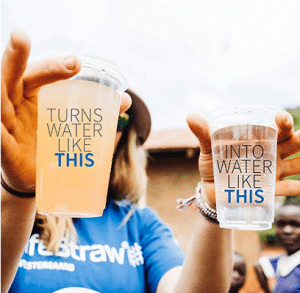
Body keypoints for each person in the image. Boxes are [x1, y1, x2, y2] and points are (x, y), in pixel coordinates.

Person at [1, 29, 300, 293]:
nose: (92, 125)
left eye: (108, 116)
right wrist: (19, 191)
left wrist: (217, 207)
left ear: (124, 139)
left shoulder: (138, 224)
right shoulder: (11, 215)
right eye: (70, 110)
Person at [254, 199, 300, 293]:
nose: (287, 230)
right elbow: (259, 265)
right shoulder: (278, 261)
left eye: (295, 224)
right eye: (281, 224)